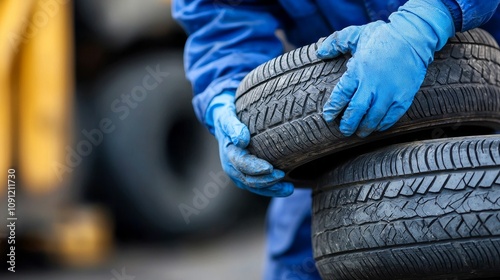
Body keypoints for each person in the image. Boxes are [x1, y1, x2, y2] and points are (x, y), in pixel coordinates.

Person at [173, 0, 500, 278]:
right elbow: (221, 17)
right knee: (301, 259)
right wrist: (226, 96)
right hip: (336, 132)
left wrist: (429, 17)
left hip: (482, 94)